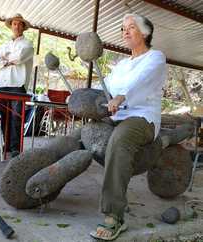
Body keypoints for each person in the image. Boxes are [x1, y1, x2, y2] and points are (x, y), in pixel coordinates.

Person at [90, 13, 167, 241]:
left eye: (131, 27)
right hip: (117, 115)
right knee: (80, 136)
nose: (125, 31)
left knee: (119, 140)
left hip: (142, 117)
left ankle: (114, 216)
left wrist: (122, 97)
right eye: (123, 28)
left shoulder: (156, 57)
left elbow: (141, 80)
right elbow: (105, 87)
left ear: (145, 33)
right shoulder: (122, 64)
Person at [0, 13, 34, 158]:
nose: (16, 26)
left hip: (17, 84)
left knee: (16, 117)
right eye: (14, 24)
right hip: (2, 84)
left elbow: (20, 57)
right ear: (11, 26)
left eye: (19, 24)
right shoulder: (5, 45)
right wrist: (8, 60)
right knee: (4, 115)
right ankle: (7, 145)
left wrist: (5, 58)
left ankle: (16, 147)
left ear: (23, 27)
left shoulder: (28, 45)